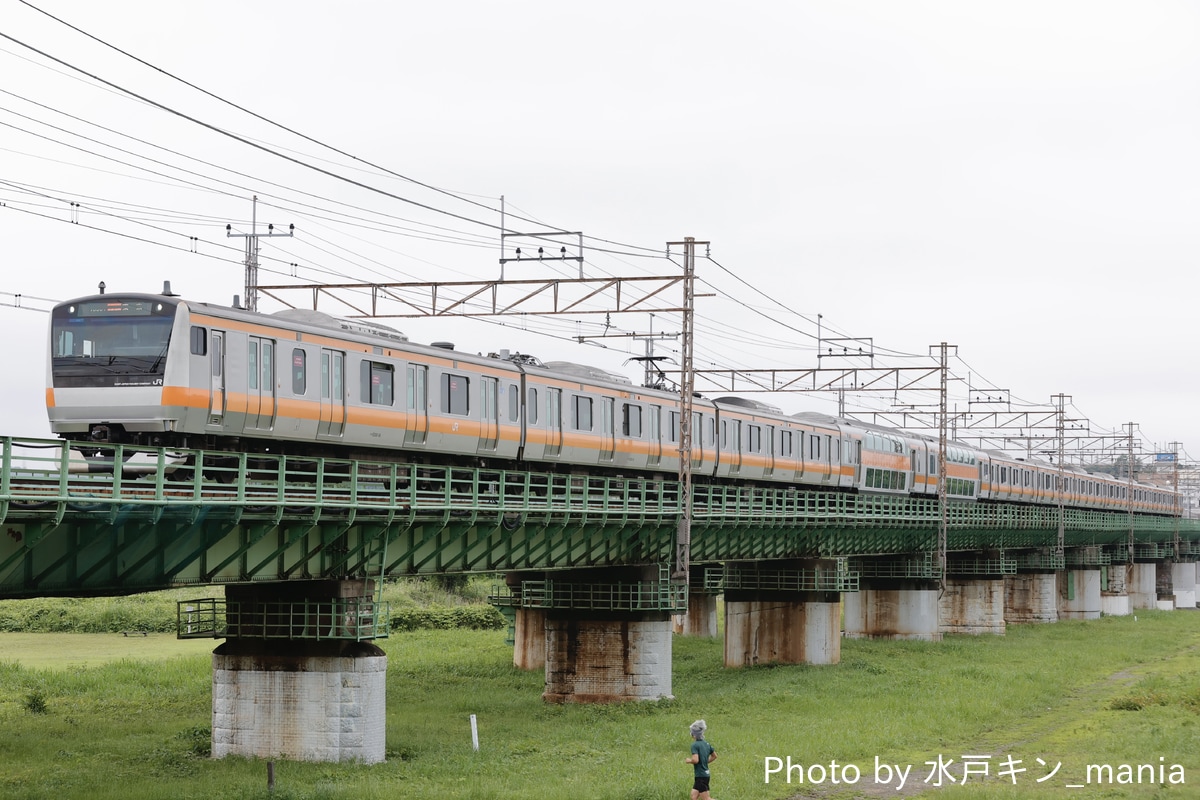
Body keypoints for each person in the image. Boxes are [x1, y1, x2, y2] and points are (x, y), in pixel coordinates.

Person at [684, 719, 717, 800]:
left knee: (706, 798)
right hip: (705, 775)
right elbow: (714, 756)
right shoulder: (707, 744)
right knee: (693, 796)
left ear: (694, 735)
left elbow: (695, 760)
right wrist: (705, 762)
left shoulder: (695, 745)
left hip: (700, 776)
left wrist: (689, 761)